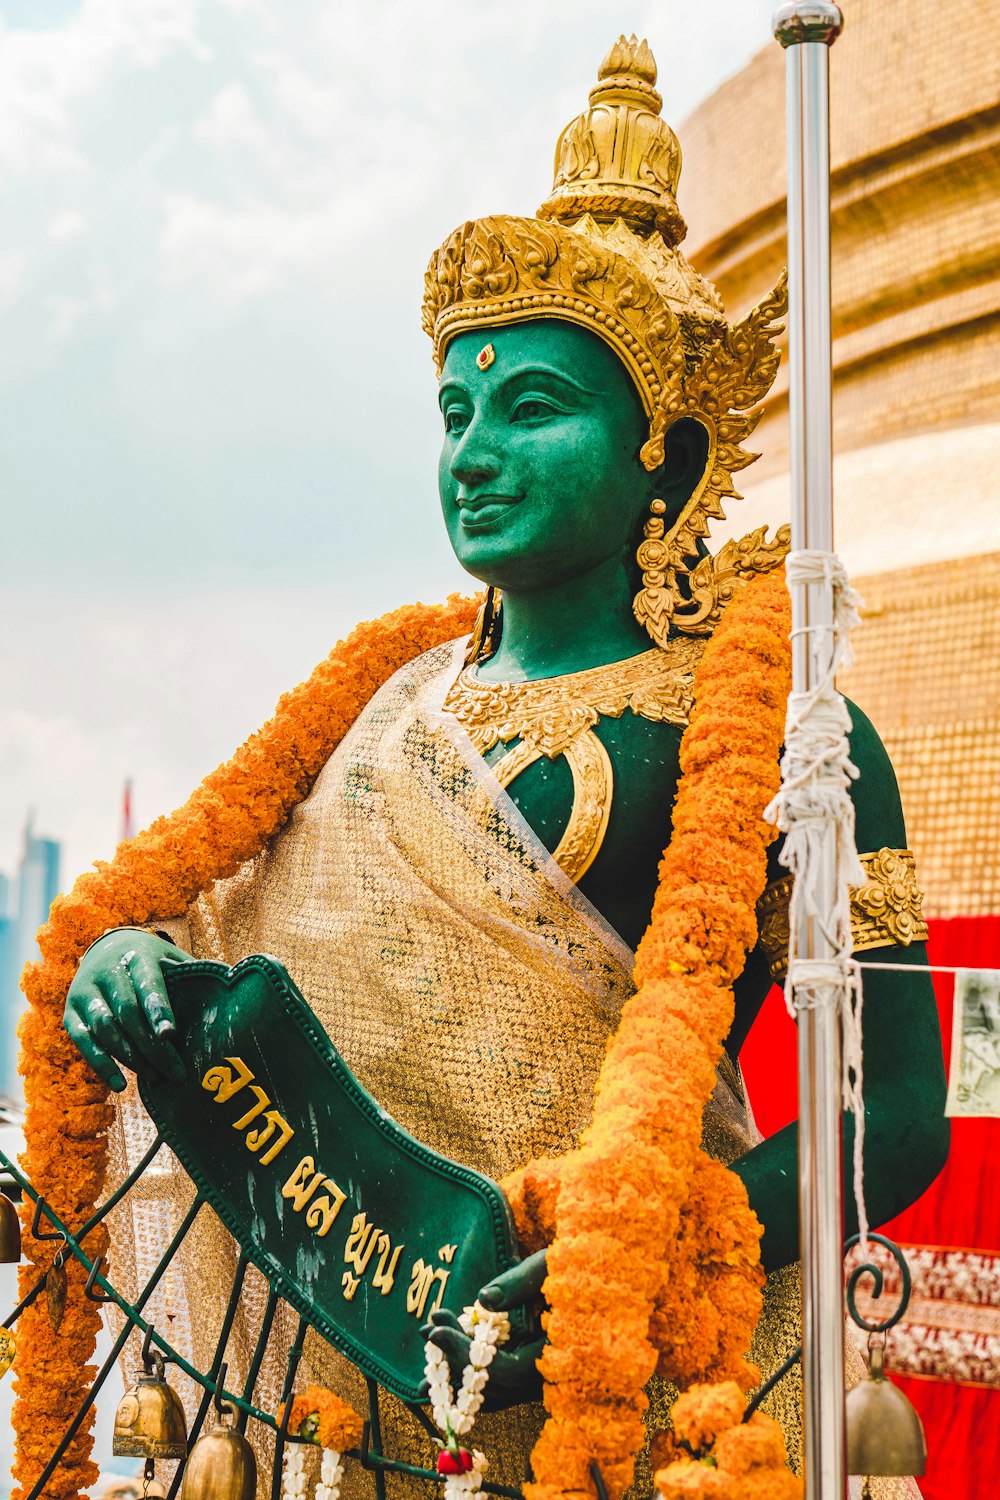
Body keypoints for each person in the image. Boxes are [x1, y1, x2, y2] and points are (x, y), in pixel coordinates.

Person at [59, 36, 947, 1498]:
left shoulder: (798, 736)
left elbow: (897, 1118)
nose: (472, 451)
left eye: (530, 408)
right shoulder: (380, 703)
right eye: (454, 414)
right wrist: (130, 966)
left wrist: (644, 1237)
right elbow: (237, 952)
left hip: (634, 1371)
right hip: (341, 1361)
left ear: (665, 452)